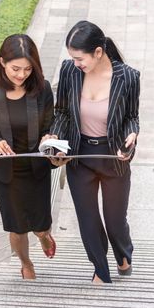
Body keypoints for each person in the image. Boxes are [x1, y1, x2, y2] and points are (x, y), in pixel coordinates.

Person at [45, 20, 140, 284]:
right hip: (80, 155)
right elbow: (62, 111)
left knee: (114, 220)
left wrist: (132, 134)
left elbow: (132, 116)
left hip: (113, 157)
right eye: (72, 58)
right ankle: (100, 269)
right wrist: (55, 133)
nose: (76, 63)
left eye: (80, 58)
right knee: (88, 220)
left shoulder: (128, 77)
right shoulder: (69, 71)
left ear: (98, 52)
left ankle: (123, 253)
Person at [0, 34, 56, 279]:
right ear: (2, 62)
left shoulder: (42, 89)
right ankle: (26, 263)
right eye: (16, 68)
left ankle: (43, 236)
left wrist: (50, 137)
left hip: (35, 169)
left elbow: (50, 125)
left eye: (28, 69)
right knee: (17, 227)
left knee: (41, 225)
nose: (22, 75)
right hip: (5, 173)